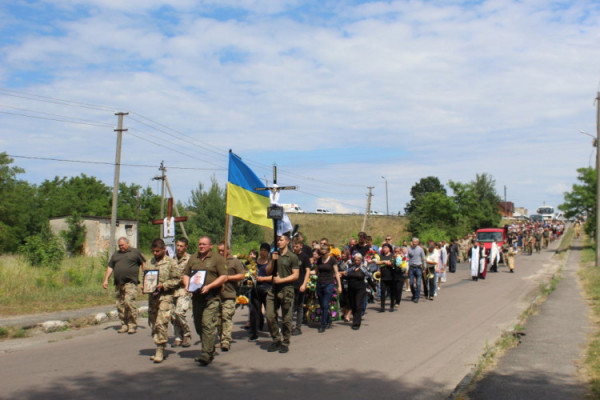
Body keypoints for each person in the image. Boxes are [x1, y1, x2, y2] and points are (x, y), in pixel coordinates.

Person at [182, 236, 227, 366]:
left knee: (207, 324)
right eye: (200, 244)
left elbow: (224, 276)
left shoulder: (217, 259)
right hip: (197, 297)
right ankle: (209, 347)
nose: (201, 246)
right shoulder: (194, 258)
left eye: (204, 244)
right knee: (198, 325)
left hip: (212, 297)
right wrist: (187, 285)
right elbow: (186, 274)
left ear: (210, 246)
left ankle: (206, 354)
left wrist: (209, 286)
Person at [145, 238, 181, 363]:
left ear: (164, 249)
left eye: (157, 251)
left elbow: (177, 279)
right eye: (153, 251)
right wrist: (144, 286)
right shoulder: (150, 262)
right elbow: (146, 276)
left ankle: (160, 349)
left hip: (165, 297)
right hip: (153, 297)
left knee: (161, 322)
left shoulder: (171, 262)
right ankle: (158, 344)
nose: (155, 253)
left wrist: (164, 285)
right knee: (154, 322)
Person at [102, 237, 146, 334]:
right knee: (120, 305)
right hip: (118, 284)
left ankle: (132, 324)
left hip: (131, 282)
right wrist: (106, 280)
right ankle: (124, 324)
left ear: (127, 243)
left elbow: (143, 263)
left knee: (128, 302)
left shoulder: (135, 252)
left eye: (122, 245)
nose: (121, 247)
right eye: (119, 245)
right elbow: (110, 267)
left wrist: (145, 278)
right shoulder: (116, 254)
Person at [265, 234, 299, 353]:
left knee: (286, 319)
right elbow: (268, 271)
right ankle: (276, 339)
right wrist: (273, 261)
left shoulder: (292, 257)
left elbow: (296, 275)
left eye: (281, 240)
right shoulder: (273, 255)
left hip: (287, 289)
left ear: (287, 241)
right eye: (277, 240)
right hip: (273, 289)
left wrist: (281, 280)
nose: (278, 242)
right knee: (270, 315)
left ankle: (285, 342)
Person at [216, 242, 246, 352]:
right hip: (217, 294)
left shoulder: (235, 262)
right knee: (218, 319)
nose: (220, 252)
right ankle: (220, 337)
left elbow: (241, 275)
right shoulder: (217, 261)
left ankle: (226, 340)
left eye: (222, 251)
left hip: (229, 293)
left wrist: (228, 277)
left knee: (226, 317)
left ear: (228, 250)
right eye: (218, 250)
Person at [315, 238, 343, 332]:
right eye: (321, 253)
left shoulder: (332, 260)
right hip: (319, 283)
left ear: (328, 252)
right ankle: (328, 319)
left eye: (323, 253)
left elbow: (336, 273)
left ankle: (323, 325)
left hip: (329, 284)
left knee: (325, 304)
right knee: (322, 305)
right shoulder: (319, 260)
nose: (322, 255)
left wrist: (339, 286)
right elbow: (315, 272)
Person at [171, 237, 192, 348]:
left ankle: (186, 334)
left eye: (181, 246)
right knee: (173, 315)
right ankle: (178, 336)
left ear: (186, 247)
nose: (178, 248)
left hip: (184, 289)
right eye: (177, 246)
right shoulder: (172, 259)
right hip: (172, 290)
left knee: (180, 312)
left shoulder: (190, 259)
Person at [249, 243, 272, 342]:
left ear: (268, 252)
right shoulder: (254, 262)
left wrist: (263, 279)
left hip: (267, 289)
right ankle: (255, 332)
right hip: (255, 289)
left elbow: (274, 277)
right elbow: (249, 272)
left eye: (265, 250)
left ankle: (273, 330)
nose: (263, 252)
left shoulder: (271, 263)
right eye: (261, 250)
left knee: (270, 312)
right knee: (254, 311)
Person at [291, 237, 311, 336]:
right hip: (291, 284)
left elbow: (307, 271)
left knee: (299, 306)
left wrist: (304, 284)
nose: (295, 248)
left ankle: (298, 327)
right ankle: (289, 326)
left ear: (301, 246)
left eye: (297, 246)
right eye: (293, 246)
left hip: (300, 285)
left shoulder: (304, 257)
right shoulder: (291, 256)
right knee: (290, 306)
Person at [346, 253, 370, 330]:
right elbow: (346, 275)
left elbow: (369, 276)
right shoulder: (350, 268)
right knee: (353, 305)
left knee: (358, 304)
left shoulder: (363, 268)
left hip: (360, 289)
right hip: (351, 288)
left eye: (358, 260)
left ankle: (356, 323)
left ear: (361, 260)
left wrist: (372, 288)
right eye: (355, 260)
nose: (357, 261)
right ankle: (355, 318)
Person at [377, 243, 396, 312]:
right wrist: (384, 261)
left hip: (391, 276)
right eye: (383, 248)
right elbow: (377, 262)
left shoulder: (392, 255)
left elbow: (395, 263)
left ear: (389, 248)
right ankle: (382, 307)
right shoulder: (381, 256)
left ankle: (391, 306)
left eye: (386, 248)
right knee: (382, 291)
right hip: (383, 276)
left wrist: (391, 264)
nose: (384, 249)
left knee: (392, 292)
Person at [407, 238, 426, 303]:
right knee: (411, 283)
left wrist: (424, 267)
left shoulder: (420, 249)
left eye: (415, 242)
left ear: (417, 242)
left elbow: (423, 258)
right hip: (411, 267)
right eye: (413, 242)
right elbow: (410, 255)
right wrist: (411, 247)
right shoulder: (410, 249)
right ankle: (414, 294)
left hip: (418, 267)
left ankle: (417, 297)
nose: (414, 243)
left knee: (418, 283)